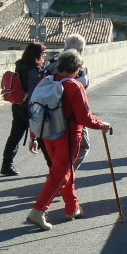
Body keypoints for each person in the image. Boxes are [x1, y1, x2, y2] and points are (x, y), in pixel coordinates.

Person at [26, 49, 112, 231]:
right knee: (60, 174)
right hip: (68, 136)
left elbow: (36, 110)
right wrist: (102, 125)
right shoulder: (75, 86)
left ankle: (72, 207)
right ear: (77, 68)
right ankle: (39, 210)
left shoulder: (46, 81)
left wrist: (34, 135)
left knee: (65, 170)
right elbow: (85, 118)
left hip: (47, 134)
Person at [43, 34, 91, 168]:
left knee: (56, 146)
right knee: (83, 146)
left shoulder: (51, 61)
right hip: (71, 111)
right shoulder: (77, 63)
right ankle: (65, 172)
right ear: (80, 49)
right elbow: (83, 84)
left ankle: (59, 171)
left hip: (50, 109)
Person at [1, 42, 46, 176]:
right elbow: (33, 92)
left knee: (15, 136)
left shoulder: (20, 66)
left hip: (18, 105)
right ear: (37, 55)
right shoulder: (34, 70)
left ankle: (6, 164)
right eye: (43, 53)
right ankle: (53, 167)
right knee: (42, 137)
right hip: (29, 107)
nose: (45, 56)